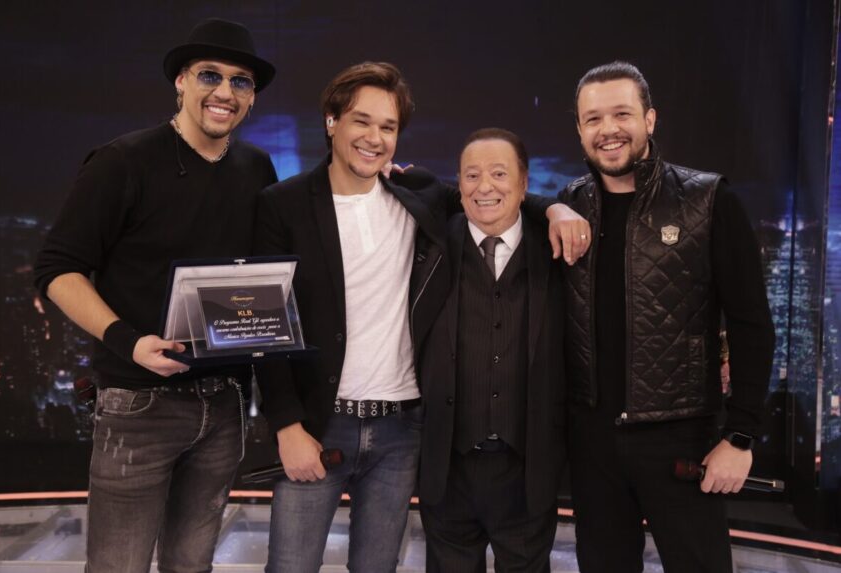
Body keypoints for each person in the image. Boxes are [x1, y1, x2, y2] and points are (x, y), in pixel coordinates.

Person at [254, 62, 585, 573]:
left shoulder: (416, 196)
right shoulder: (283, 205)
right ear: (330, 122)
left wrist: (555, 210)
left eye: (388, 127)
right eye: (362, 121)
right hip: (320, 426)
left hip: (401, 430)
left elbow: (492, 198)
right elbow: (267, 322)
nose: (375, 137)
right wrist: (286, 423)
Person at [33, 18, 278, 573]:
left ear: (252, 96)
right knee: (118, 566)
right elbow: (57, 268)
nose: (224, 92)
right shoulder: (123, 160)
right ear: (180, 82)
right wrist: (129, 340)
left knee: (192, 566)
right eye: (209, 76)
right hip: (138, 404)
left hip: (226, 404)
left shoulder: (256, 167)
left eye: (240, 82)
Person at [556, 61, 776, 572]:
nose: (608, 130)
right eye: (593, 119)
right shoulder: (567, 204)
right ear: (580, 129)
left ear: (650, 119)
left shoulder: (708, 199)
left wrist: (740, 436)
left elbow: (751, 325)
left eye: (622, 114)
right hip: (591, 444)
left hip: (682, 439)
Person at [417, 128, 567, 572]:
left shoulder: (560, 251)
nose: (485, 187)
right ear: (458, 185)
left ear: (524, 184)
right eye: (472, 175)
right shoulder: (430, 244)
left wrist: (554, 208)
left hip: (527, 473)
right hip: (449, 470)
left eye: (500, 174)